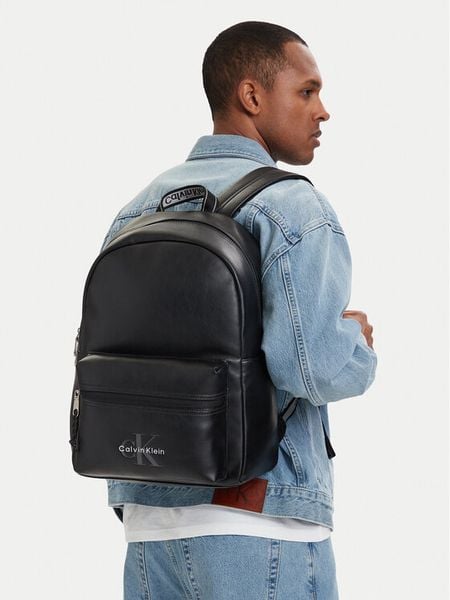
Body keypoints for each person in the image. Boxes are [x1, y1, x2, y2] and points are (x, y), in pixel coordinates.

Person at [100, 21, 377, 600]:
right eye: (306, 91)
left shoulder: (136, 212)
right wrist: (355, 341)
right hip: (260, 519)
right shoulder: (290, 205)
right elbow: (313, 368)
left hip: (149, 523)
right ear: (251, 96)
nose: (323, 111)